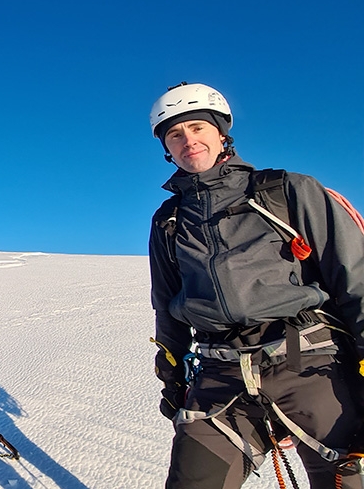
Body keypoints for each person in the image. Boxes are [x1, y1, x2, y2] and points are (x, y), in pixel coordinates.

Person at [147, 82, 364, 488]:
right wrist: (171, 372)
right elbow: (167, 302)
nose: (188, 140)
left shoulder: (285, 191)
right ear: (166, 147)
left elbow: (354, 277)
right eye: (175, 134)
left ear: (220, 132)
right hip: (220, 374)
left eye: (197, 127)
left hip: (310, 365)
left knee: (346, 482)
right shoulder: (169, 221)